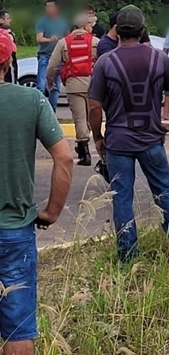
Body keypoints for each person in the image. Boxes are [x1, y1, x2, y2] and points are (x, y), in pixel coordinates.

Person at [88, 5, 169, 262]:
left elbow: (94, 105)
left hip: (118, 142)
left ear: (117, 32)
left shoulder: (105, 62)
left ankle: (128, 256)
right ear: (143, 30)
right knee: (164, 192)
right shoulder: (159, 58)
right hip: (151, 138)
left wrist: (98, 137)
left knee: (121, 197)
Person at [0, 28, 72, 354]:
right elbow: (65, 157)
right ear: (9, 60)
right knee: (17, 330)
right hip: (15, 230)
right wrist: (52, 212)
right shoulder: (30, 100)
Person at [46, 13, 99, 166]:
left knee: (80, 118)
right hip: (92, 84)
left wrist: (50, 82)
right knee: (91, 118)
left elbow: (52, 66)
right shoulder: (95, 42)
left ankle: (84, 152)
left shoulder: (63, 42)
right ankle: (89, 146)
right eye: (90, 25)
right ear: (84, 26)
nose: (91, 27)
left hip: (73, 85)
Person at [35, 0, 69, 111]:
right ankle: (40, 110)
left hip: (58, 58)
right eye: (47, 6)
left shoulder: (62, 22)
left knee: (55, 86)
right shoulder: (42, 21)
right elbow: (39, 38)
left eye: (50, 6)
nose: (48, 9)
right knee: (41, 85)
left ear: (56, 8)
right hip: (45, 55)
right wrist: (50, 39)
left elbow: (67, 38)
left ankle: (52, 110)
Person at [0, 10, 17, 84]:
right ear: (1, 20)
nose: (10, 20)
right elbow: (13, 51)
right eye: (8, 18)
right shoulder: (7, 35)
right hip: (7, 68)